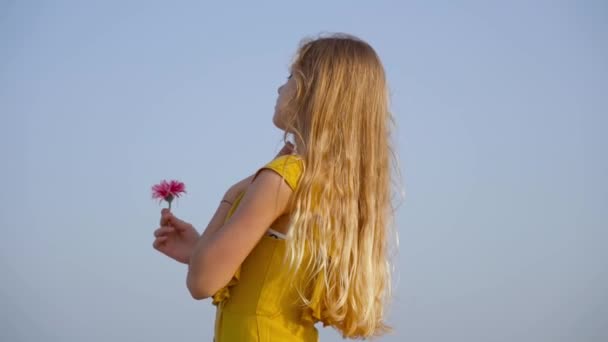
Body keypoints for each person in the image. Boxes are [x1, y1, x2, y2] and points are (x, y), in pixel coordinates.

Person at [152, 33, 399, 341]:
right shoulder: (329, 183)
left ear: (313, 93)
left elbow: (202, 283)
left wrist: (232, 195)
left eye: (290, 77)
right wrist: (198, 251)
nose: (280, 87)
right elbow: (269, 276)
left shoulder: (282, 177)